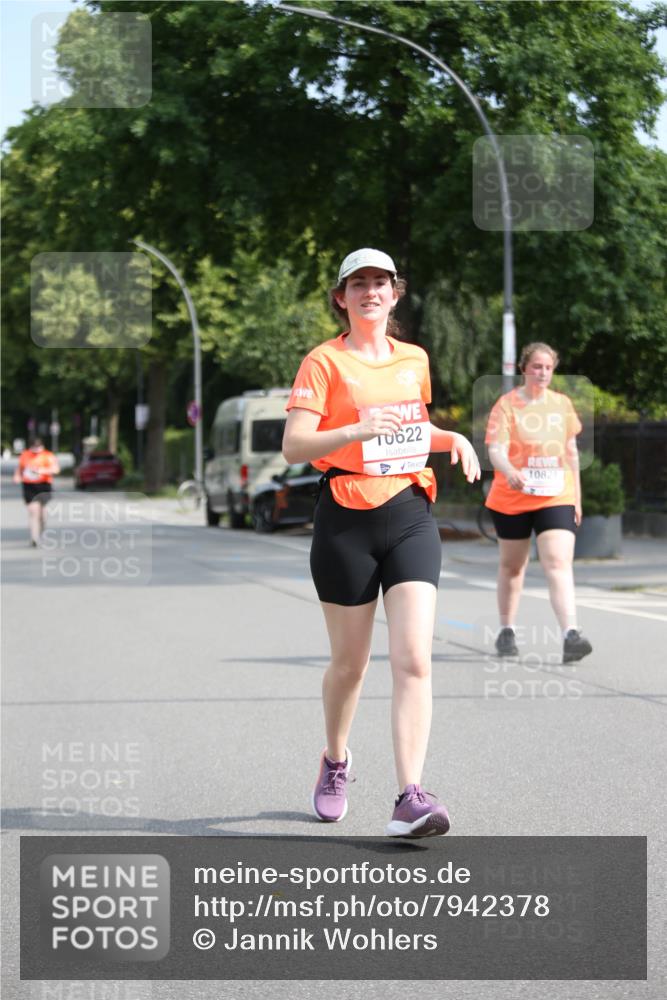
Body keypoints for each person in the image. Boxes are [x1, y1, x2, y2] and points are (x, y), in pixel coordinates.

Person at [282, 248, 480, 837]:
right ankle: (336, 760)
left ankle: (411, 796)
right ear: (341, 298)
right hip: (345, 517)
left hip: (409, 510)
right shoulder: (322, 362)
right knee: (350, 665)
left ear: (396, 294)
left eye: (381, 282)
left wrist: (455, 439)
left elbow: (412, 433)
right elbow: (295, 446)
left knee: (414, 658)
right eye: (358, 283)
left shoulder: (414, 359)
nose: (371, 291)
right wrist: (355, 428)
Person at [484, 342, 592, 664]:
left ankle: (570, 634)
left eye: (548, 367)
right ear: (524, 369)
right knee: (513, 566)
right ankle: (507, 630)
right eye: (536, 367)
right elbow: (495, 451)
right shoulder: (506, 406)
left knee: (557, 562)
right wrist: (509, 470)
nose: (542, 373)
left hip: (555, 494)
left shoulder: (562, 405)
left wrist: (577, 498)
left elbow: (571, 453)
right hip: (512, 496)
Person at [13, 438, 60, 546]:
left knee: (42, 514)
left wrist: (41, 471)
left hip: (43, 485)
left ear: (42, 447)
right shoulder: (25, 455)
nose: (36, 451)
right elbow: (20, 468)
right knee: (33, 511)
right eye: (34, 449)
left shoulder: (48, 455)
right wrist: (17, 476)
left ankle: (40, 530)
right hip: (29, 486)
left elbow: (56, 469)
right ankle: (34, 538)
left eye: (38, 448)